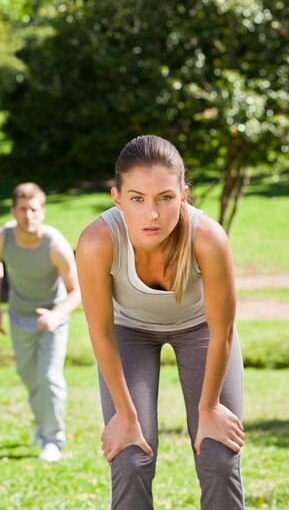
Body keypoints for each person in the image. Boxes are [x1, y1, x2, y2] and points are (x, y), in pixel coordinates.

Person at [76, 135, 245, 509]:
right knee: (130, 455)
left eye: (165, 198)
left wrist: (210, 409)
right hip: (128, 332)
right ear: (117, 198)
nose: (151, 214)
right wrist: (124, 414)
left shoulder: (208, 238)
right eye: (137, 198)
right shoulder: (97, 241)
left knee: (218, 453)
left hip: (203, 330)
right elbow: (101, 331)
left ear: (184, 195)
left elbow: (223, 330)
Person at [0, 182, 81, 462]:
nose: (29, 216)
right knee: (30, 379)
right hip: (19, 317)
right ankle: (43, 426)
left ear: (43, 211)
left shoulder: (55, 245)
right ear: (14, 211)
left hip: (52, 318)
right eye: (23, 210)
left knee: (49, 378)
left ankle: (53, 439)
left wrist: (56, 316)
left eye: (34, 210)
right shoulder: (2, 238)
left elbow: (77, 291)